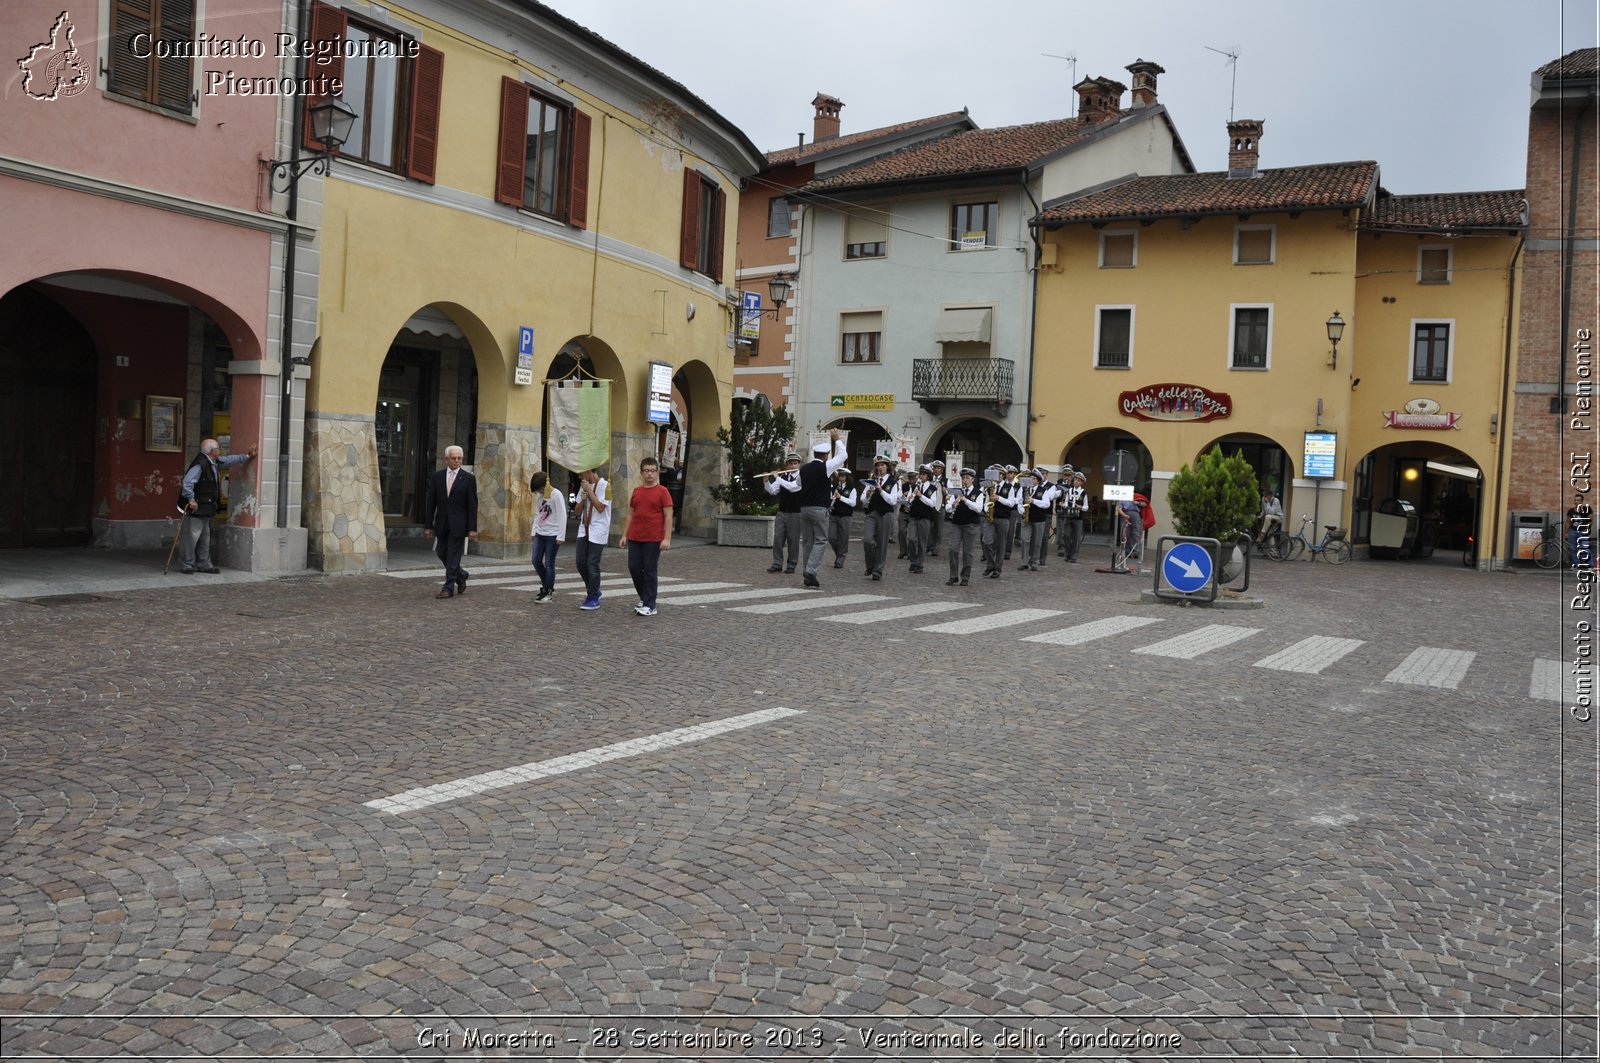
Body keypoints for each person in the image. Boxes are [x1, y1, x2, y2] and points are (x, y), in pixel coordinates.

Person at [176, 437, 257, 574]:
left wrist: (248, 456)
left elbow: (229, 460)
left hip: (206, 507)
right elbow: (187, 483)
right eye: (218, 449)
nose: (220, 451)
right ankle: (187, 564)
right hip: (195, 507)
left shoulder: (213, 461)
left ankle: (204, 564)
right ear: (212, 451)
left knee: (204, 537)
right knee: (191, 537)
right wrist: (191, 500)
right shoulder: (200, 464)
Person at [794, 430, 849, 587]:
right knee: (821, 540)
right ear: (825, 455)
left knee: (807, 542)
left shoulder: (803, 469)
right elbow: (843, 456)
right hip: (819, 509)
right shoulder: (826, 466)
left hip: (804, 509)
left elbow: (798, 485)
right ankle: (811, 571)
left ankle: (807, 572)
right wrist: (837, 440)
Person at [620, 456, 673, 615]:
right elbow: (630, 514)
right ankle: (645, 597)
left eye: (652, 471)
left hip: (653, 537)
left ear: (657, 473)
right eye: (646, 471)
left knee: (650, 570)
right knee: (634, 567)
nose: (649, 474)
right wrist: (624, 535)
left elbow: (669, 516)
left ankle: (650, 605)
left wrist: (667, 538)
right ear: (641, 473)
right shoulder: (637, 491)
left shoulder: (663, 492)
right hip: (635, 537)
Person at [423, 445, 478, 599]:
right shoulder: (437, 477)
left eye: (459, 458)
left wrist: (472, 528)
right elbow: (431, 503)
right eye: (453, 458)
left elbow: (472, 505)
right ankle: (461, 575)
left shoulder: (468, 479)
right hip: (441, 523)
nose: (456, 461)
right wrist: (428, 526)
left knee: (453, 556)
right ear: (446, 459)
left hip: (459, 524)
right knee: (441, 552)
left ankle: (448, 588)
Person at [573, 467, 610, 609]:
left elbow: (601, 507)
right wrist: (582, 499)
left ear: (589, 471)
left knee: (592, 564)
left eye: (581, 473)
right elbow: (577, 511)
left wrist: (589, 491)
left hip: (598, 529)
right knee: (580, 562)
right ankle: (594, 589)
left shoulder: (605, 485)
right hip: (584, 528)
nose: (579, 477)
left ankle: (593, 595)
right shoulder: (583, 485)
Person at [859, 456, 901, 581]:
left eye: (882, 465)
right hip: (871, 513)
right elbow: (862, 499)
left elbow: (893, 501)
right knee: (867, 540)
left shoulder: (893, 482)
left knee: (882, 543)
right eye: (878, 465)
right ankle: (870, 565)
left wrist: (881, 490)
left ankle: (878, 570)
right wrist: (867, 495)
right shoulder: (872, 480)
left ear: (887, 467)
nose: (880, 467)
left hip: (885, 514)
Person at [529, 468, 566, 603]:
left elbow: (562, 515)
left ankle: (548, 591)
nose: (540, 492)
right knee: (536, 560)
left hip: (552, 534)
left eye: (540, 489)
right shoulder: (540, 498)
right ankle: (547, 585)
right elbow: (538, 514)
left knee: (549, 563)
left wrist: (561, 535)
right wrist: (534, 531)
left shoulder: (556, 495)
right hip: (540, 532)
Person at [944, 467, 984, 586]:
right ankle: (953, 576)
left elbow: (978, 508)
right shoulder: (957, 491)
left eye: (967, 478)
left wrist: (965, 500)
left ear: (972, 480)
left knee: (968, 552)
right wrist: (953, 504)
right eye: (963, 478)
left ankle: (965, 577)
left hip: (971, 525)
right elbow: (947, 508)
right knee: (953, 550)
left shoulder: (978, 493)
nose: (965, 480)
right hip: (957, 524)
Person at [765, 453, 803, 573]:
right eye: (790, 463)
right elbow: (772, 491)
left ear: (799, 465)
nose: (793, 465)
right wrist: (766, 481)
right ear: (787, 465)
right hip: (782, 512)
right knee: (778, 539)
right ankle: (777, 563)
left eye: (795, 463)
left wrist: (777, 478)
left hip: (796, 513)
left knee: (793, 540)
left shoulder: (801, 477)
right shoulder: (783, 476)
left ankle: (791, 564)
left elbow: (792, 487)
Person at [905, 464, 942, 575]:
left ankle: (919, 564)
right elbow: (909, 500)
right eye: (920, 474)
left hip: (925, 518)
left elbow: (933, 504)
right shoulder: (915, 486)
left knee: (922, 542)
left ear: (928, 476)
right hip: (913, 516)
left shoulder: (933, 488)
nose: (921, 476)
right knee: (911, 539)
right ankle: (913, 561)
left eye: (924, 474)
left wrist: (921, 496)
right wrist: (909, 498)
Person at [1019, 466, 1057, 571]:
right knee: (1025, 540)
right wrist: (1022, 510)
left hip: (1039, 519)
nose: (1031, 480)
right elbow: (1019, 502)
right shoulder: (1024, 489)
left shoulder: (1042, 490)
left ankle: (1034, 562)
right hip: (1026, 518)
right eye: (1030, 478)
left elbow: (1046, 504)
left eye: (1034, 479)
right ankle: (1024, 562)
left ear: (1038, 481)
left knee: (1036, 542)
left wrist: (1034, 501)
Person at [827, 468, 857, 569]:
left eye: (843, 476)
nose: (841, 478)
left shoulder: (852, 488)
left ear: (847, 477)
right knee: (831, 537)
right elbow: (830, 498)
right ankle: (839, 554)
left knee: (843, 539)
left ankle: (840, 559)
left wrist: (840, 497)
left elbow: (853, 503)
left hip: (845, 516)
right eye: (839, 476)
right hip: (834, 514)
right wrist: (832, 499)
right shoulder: (835, 487)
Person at [1058, 470, 1087, 563]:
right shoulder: (1069, 491)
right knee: (1065, 535)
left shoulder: (1083, 492)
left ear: (1082, 482)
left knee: (1076, 537)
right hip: (1068, 516)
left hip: (1078, 517)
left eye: (1078, 481)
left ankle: (1073, 555)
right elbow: (1067, 502)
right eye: (1075, 480)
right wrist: (1063, 505)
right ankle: (1068, 553)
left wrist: (1081, 507)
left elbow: (1086, 506)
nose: (1076, 482)